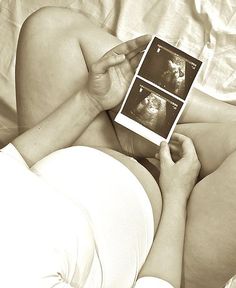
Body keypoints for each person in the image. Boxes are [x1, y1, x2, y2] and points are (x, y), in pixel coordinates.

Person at [3, 6, 236, 288]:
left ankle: (138, 132)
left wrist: (91, 101)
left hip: (79, 152)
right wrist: (175, 194)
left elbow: (14, 160)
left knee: (49, 28)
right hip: (165, 243)